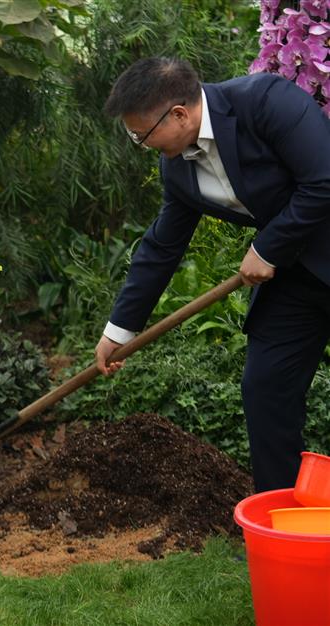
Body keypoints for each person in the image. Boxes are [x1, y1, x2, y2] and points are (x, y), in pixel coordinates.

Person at [94, 57, 330, 495]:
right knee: (266, 389)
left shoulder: (264, 101)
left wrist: (266, 246)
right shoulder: (178, 168)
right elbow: (162, 247)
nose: (140, 144)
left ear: (179, 113)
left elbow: (324, 181)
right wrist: (119, 330)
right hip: (295, 280)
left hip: (308, 251)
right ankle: (279, 517)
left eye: (141, 134)